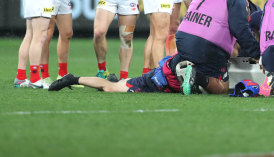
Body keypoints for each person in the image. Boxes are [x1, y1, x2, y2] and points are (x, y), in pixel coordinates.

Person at [175, 0, 260, 95]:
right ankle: (197, 75)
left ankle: (186, 71)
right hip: (207, 46)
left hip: (182, 41)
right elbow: (240, 29)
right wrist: (256, 52)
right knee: (222, 88)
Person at [48, 54, 195, 94]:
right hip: (149, 82)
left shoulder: (182, 56)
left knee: (114, 85)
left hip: (153, 78)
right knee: (109, 87)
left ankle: (116, 80)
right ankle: (71, 79)